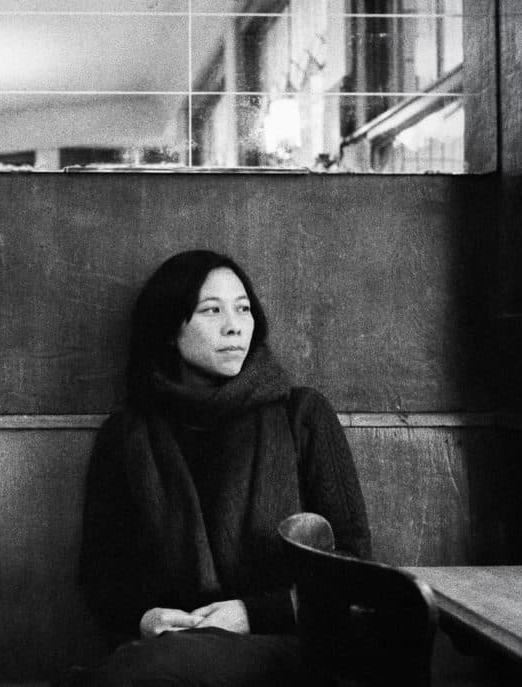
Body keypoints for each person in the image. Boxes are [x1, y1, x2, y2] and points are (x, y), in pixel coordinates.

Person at [77, 250, 371, 687]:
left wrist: (251, 614)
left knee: (136, 672)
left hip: (289, 644)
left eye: (243, 309)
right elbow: (101, 572)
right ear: (169, 330)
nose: (234, 326)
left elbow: (355, 565)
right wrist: (145, 617)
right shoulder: (126, 435)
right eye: (212, 310)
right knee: (148, 667)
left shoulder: (302, 415)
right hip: (170, 649)